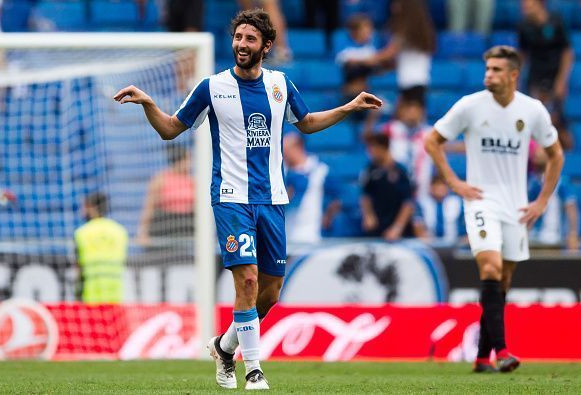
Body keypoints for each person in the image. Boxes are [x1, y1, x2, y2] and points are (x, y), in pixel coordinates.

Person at [113, 8, 381, 390]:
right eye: (238, 37)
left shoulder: (280, 84)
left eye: (250, 39)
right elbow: (171, 130)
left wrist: (349, 107)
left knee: (270, 294)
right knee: (249, 281)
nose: (241, 44)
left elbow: (305, 123)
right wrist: (148, 104)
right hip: (230, 198)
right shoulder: (211, 87)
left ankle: (224, 347)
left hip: (272, 199)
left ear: (266, 45)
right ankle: (252, 368)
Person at [424, 45, 564, 373]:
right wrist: (455, 183)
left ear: (513, 75)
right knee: (489, 269)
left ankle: (480, 358)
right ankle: (503, 351)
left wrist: (542, 201)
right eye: (487, 69)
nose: (489, 75)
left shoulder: (532, 110)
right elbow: (432, 141)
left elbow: (556, 154)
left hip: (516, 207)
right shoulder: (470, 106)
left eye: (496, 70)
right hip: (480, 200)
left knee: (501, 283)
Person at [349, 0, 435, 106]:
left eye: (398, 4)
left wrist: (358, 60)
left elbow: (387, 54)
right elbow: (402, 61)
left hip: (411, 83)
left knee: (411, 116)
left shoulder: (406, 32)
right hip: (417, 81)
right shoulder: (421, 32)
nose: (393, 7)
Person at [283, 132, 342, 244]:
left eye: (285, 150)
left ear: (297, 147)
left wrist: (327, 218)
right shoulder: (281, 174)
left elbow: (337, 198)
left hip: (312, 236)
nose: (283, 155)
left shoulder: (322, 170)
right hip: (285, 236)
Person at [74, 192, 129, 304]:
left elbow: (78, 268)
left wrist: (77, 295)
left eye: (84, 207)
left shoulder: (82, 233)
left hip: (90, 296)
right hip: (115, 295)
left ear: (91, 207)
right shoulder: (120, 231)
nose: (82, 212)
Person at [519, 0, 574, 110]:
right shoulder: (523, 26)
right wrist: (518, 77)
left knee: (556, 118)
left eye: (528, 6)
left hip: (555, 73)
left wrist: (561, 81)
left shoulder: (556, 22)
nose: (525, 10)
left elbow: (567, 53)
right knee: (537, 112)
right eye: (523, 7)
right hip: (535, 75)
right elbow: (522, 54)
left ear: (540, 5)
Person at [137, 143, 194, 248]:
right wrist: (143, 232)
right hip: (165, 225)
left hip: (187, 227)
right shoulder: (160, 179)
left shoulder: (192, 182)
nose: (190, 163)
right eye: (188, 159)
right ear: (179, 161)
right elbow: (149, 207)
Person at [360, 133, 415, 241]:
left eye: (373, 147)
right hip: (377, 228)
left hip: (400, 231)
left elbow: (408, 203)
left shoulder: (401, 171)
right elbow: (365, 195)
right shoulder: (369, 170)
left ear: (384, 147)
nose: (370, 152)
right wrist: (368, 215)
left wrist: (397, 227)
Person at [528, 147, 579, 251]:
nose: (536, 153)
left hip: (552, 240)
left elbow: (571, 208)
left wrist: (572, 234)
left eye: (541, 150)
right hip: (532, 240)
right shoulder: (532, 181)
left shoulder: (561, 182)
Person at [335, 14, 379, 106]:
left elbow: (374, 62)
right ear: (356, 31)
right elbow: (346, 60)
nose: (369, 31)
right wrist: (366, 61)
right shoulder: (346, 48)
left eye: (370, 28)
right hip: (348, 94)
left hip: (366, 91)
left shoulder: (370, 47)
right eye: (366, 28)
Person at [413, 174, 464, 245]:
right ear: (430, 187)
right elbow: (417, 223)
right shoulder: (422, 203)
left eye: (442, 185)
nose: (439, 188)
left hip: (455, 244)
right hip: (430, 244)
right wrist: (424, 238)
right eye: (435, 185)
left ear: (447, 187)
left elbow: (465, 224)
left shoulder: (457, 202)